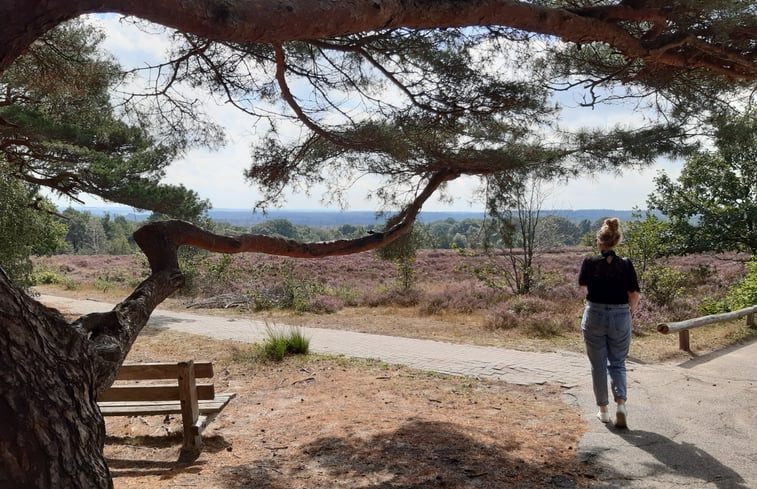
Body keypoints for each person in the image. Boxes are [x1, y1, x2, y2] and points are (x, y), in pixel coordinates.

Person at [578, 218, 640, 429]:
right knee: (618, 362)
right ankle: (620, 405)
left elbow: (583, 285)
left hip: (595, 313)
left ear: (599, 242)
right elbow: (633, 293)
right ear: (616, 241)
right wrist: (630, 310)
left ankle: (603, 411)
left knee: (598, 365)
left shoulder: (589, 262)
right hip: (620, 315)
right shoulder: (626, 264)